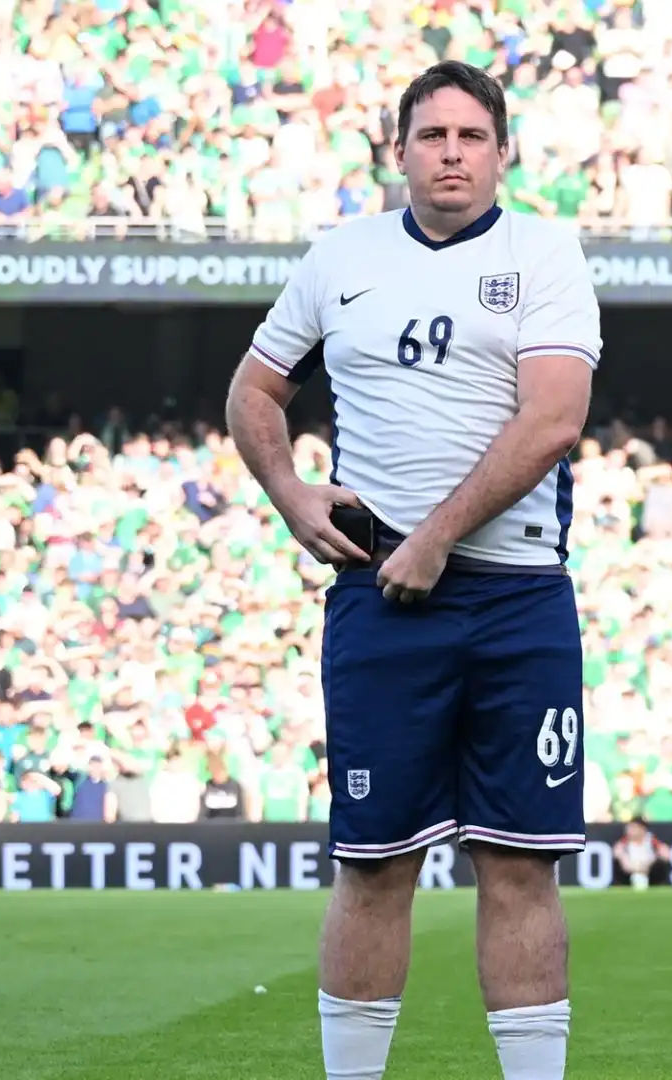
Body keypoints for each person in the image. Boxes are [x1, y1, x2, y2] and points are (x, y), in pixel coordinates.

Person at [224, 60, 601, 1080]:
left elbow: (555, 418)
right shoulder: (339, 257)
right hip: (378, 599)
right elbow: (253, 393)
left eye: (470, 137)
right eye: (431, 136)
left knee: (520, 866)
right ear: (397, 151)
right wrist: (293, 494)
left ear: (503, 152)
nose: (450, 154)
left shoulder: (545, 254)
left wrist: (437, 533)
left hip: (517, 595)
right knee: (374, 862)